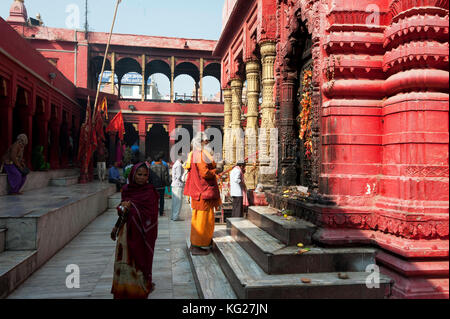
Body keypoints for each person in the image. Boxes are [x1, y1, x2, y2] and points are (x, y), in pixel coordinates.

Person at [110, 162, 160, 299]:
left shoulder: (150, 192)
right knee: (125, 261)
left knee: (139, 262)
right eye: (139, 174)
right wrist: (117, 224)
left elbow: (151, 216)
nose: (142, 178)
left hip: (142, 235)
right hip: (126, 233)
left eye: (145, 175)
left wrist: (131, 208)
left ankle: (140, 288)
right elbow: (122, 212)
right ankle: (123, 289)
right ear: (133, 174)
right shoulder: (126, 190)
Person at [184, 132, 222, 256]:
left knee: (205, 219)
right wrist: (217, 170)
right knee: (201, 220)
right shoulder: (199, 154)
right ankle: (196, 246)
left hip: (201, 191)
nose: (208, 144)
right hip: (202, 192)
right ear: (200, 143)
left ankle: (203, 242)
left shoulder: (198, 154)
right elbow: (205, 173)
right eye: (206, 142)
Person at [150, 152, 170, 216]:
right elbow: (166, 177)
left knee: (154, 200)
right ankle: (161, 212)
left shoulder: (150, 167)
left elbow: (149, 177)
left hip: (153, 187)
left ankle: (154, 211)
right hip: (161, 187)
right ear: (160, 160)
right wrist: (168, 184)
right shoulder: (164, 167)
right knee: (161, 199)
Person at [171, 154, 185, 221]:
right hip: (178, 185)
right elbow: (179, 176)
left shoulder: (176, 164)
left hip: (174, 184)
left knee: (174, 202)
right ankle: (176, 216)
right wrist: (184, 178)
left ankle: (173, 216)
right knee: (178, 202)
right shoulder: (179, 165)